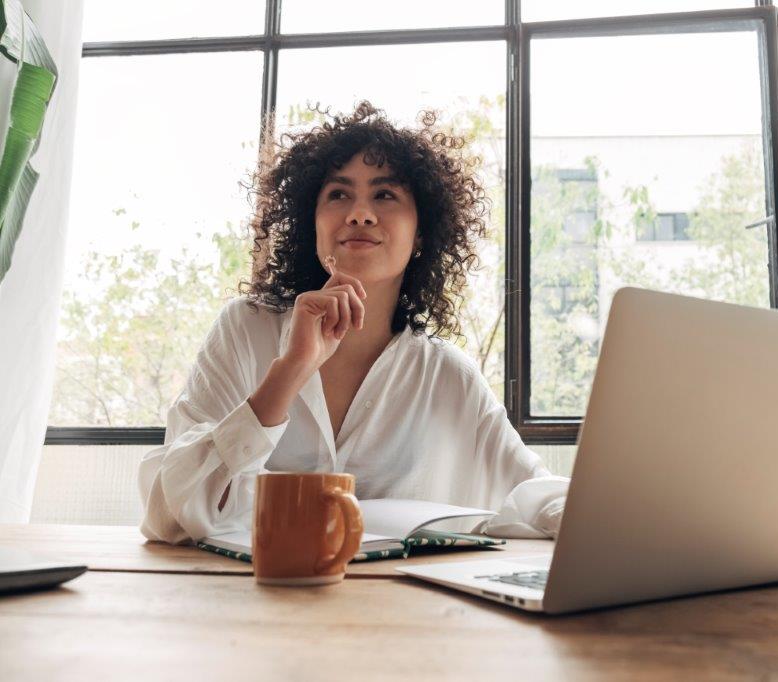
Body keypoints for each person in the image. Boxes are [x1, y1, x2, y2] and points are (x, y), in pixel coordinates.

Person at [138, 101, 568, 544]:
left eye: (385, 195)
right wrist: (289, 373)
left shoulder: (447, 376)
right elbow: (166, 514)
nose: (359, 213)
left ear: (421, 233)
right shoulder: (245, 330)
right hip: (254, 603)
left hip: (397, 609)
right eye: (339, 194)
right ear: (314, 223)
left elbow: (537, 496)